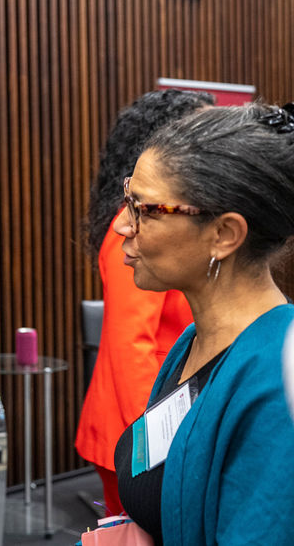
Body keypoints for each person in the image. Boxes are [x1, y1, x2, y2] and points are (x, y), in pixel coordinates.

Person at [112, 103, 294, 545]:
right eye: (127, 199)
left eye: (146, 210)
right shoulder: (194, 343)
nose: (121, 224)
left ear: (225, 234)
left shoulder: (276, 387)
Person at [74, 89, 213, 515]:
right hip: (140, 421)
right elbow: (129, 343)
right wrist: (159, 444)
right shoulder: (136, 226)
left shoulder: (173, 220)